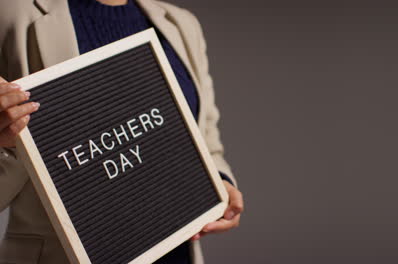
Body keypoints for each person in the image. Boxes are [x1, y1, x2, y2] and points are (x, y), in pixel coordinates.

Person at [0, 0, 244, 263]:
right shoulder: (10, 14)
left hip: (177, 252)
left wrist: (219, 183)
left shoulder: (182, 23)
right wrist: (8, 144)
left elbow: (206, 137)